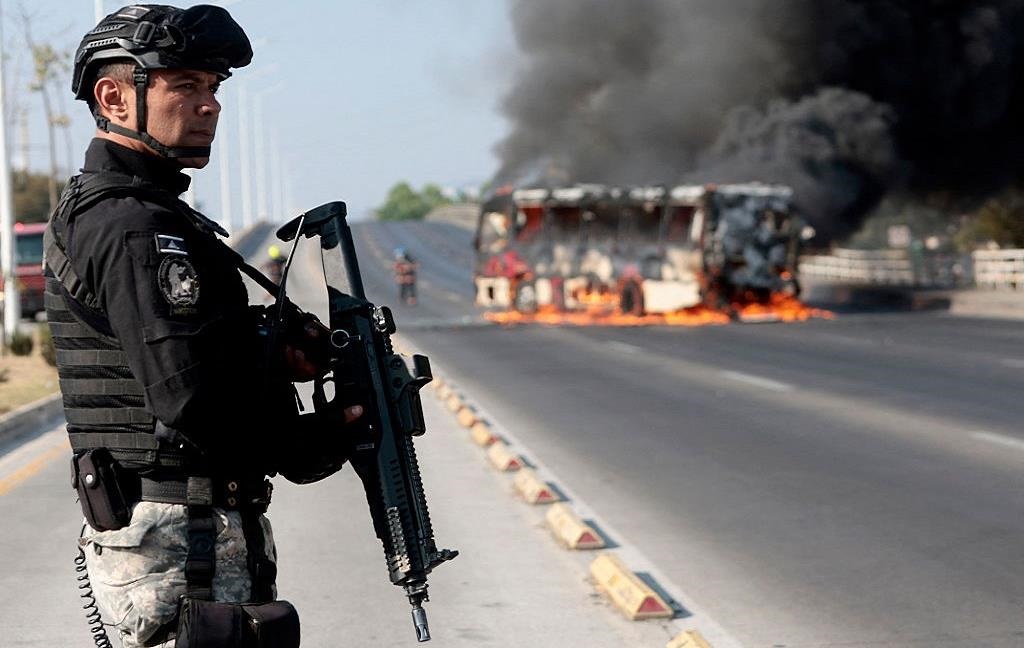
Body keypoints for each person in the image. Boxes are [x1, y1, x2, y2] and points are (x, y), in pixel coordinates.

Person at [44, 5, 360, 647]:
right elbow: (190, 397)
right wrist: (313, 438)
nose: (210, 105)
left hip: (196, 535)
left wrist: (273, 351)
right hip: (178, 548)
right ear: (114, 97)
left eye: (213, 87)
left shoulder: (155, 215)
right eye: (185, 85)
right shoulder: (134, 227)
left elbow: (198, 356)